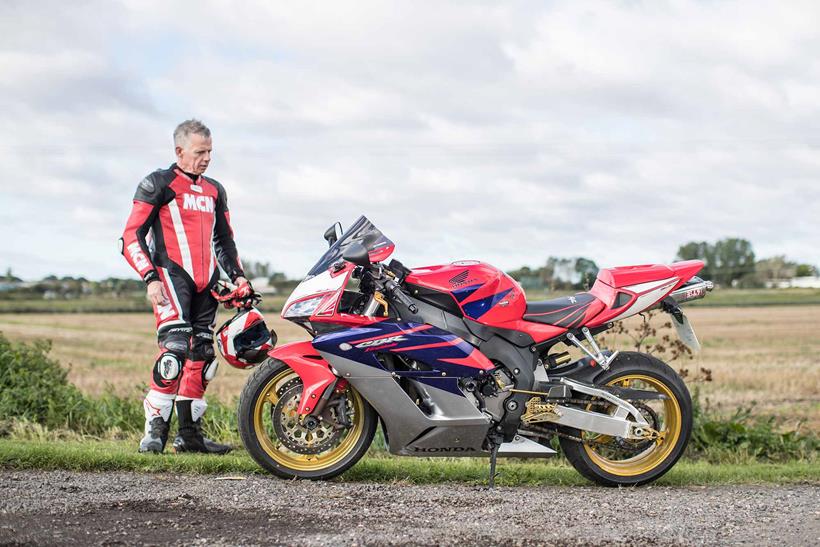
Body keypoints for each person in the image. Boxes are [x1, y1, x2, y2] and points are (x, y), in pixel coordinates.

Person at [120, 119, 247, 454]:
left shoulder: (215, 190)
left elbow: (224, 241)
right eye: (199, 152)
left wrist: (238, 276)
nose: (206, 158)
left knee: (203, 357)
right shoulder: (157, 184)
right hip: (169, 279)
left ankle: (189, 437)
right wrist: (149, 277)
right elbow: (131, 237)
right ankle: (153, 436)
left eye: (209, 152)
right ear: (179, 151)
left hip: (207, 283)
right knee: (174, 352)